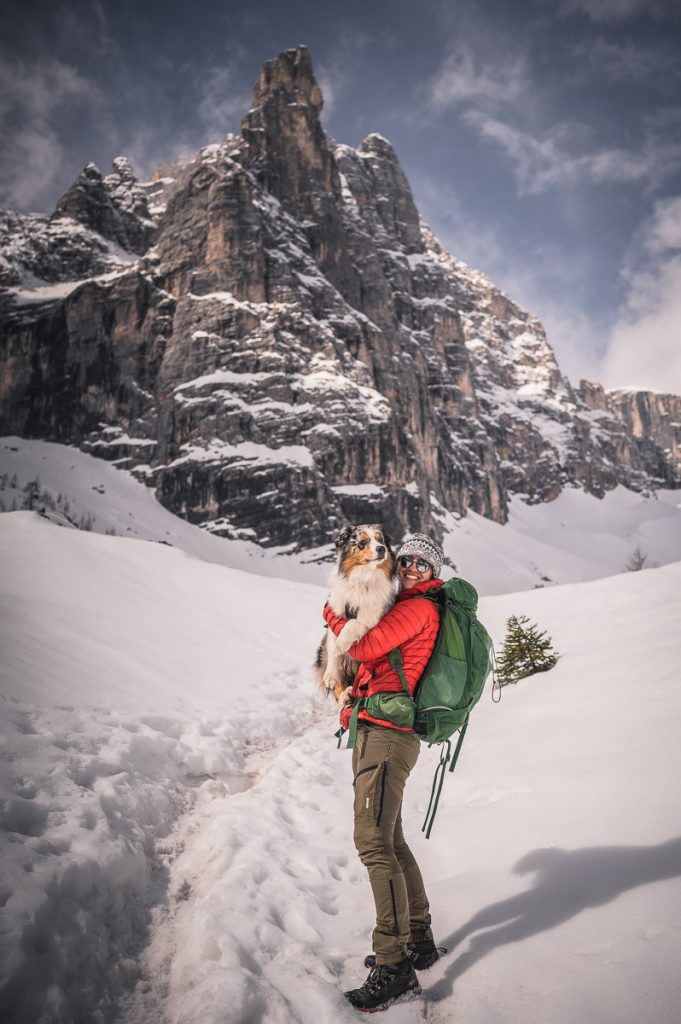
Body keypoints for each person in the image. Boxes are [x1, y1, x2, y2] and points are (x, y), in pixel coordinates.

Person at [322, 532, 445, 1011]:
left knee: (373, 842)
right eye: (407, 558)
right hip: (380, 726)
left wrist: (331, 615)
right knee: (390, 840)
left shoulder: (418, 609)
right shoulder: (406, 602)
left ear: (435, 570)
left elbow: (366, 647)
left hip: (388, 736)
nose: (412, 566)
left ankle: (395, 967)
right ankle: (419, 938)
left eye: (423, 562)